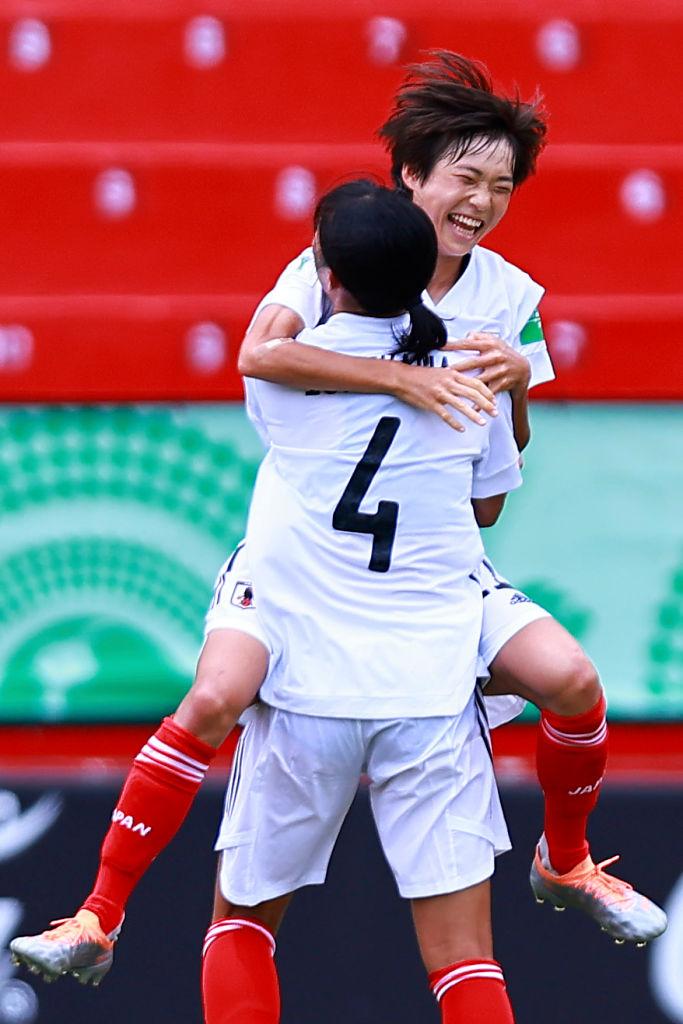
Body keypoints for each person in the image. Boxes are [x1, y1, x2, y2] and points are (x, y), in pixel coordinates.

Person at [10, 51, 666, 988]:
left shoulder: (508, 300)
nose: (482, 201)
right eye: (465, 178)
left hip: (430, 571)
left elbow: (490, 493)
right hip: (303, 571)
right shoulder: (329, 276)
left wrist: (516, 384)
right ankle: (97, 912)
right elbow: (260, 354)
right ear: (411, 178)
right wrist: (408, 379)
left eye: (502, 185)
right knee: (215, 697)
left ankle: (564, 862)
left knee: (568, 678)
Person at [204, 177, 522, 1024]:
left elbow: (262, 349)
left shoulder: (283, 383)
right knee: (464, 964)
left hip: (309, 683)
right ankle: (570, 853)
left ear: (322, 271)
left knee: (240, 926)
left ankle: (103, 902)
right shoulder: (472, 380)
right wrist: (493, 383)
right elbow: (489, 506)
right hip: (426, 687)